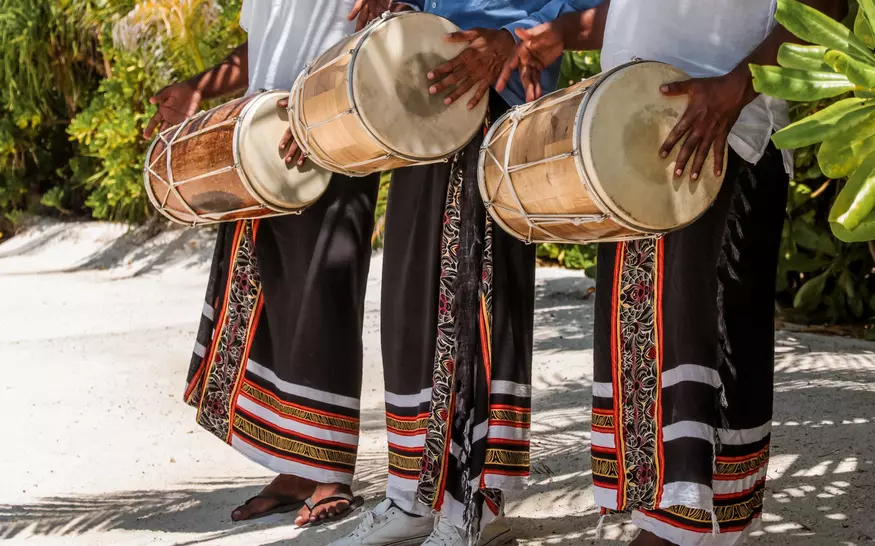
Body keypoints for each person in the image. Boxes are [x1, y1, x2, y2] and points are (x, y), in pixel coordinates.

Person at [503, 1, 847, 544]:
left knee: (693, 334)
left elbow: (826, 7)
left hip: (723, 133)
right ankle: (666, 521)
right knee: (642, 336)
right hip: (632, 130)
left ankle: (682, 528)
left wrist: (738, 85)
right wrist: (565, 32)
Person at [329, 1, 600, 545]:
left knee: (476, 303)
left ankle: (475, 504)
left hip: (494, 98)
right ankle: (411, 495)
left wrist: (514, 36)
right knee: (410, 305)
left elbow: (586, 10)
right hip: (425, 94)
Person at [145, 0, 392, 528]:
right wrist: (200, 88)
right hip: (262, 134)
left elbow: (380, 32)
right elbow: (266, 46)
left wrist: (321, 110)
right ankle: (296, 466)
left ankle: (328, 470)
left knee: (323, 298)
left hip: (332, 129)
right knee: (276, 299)